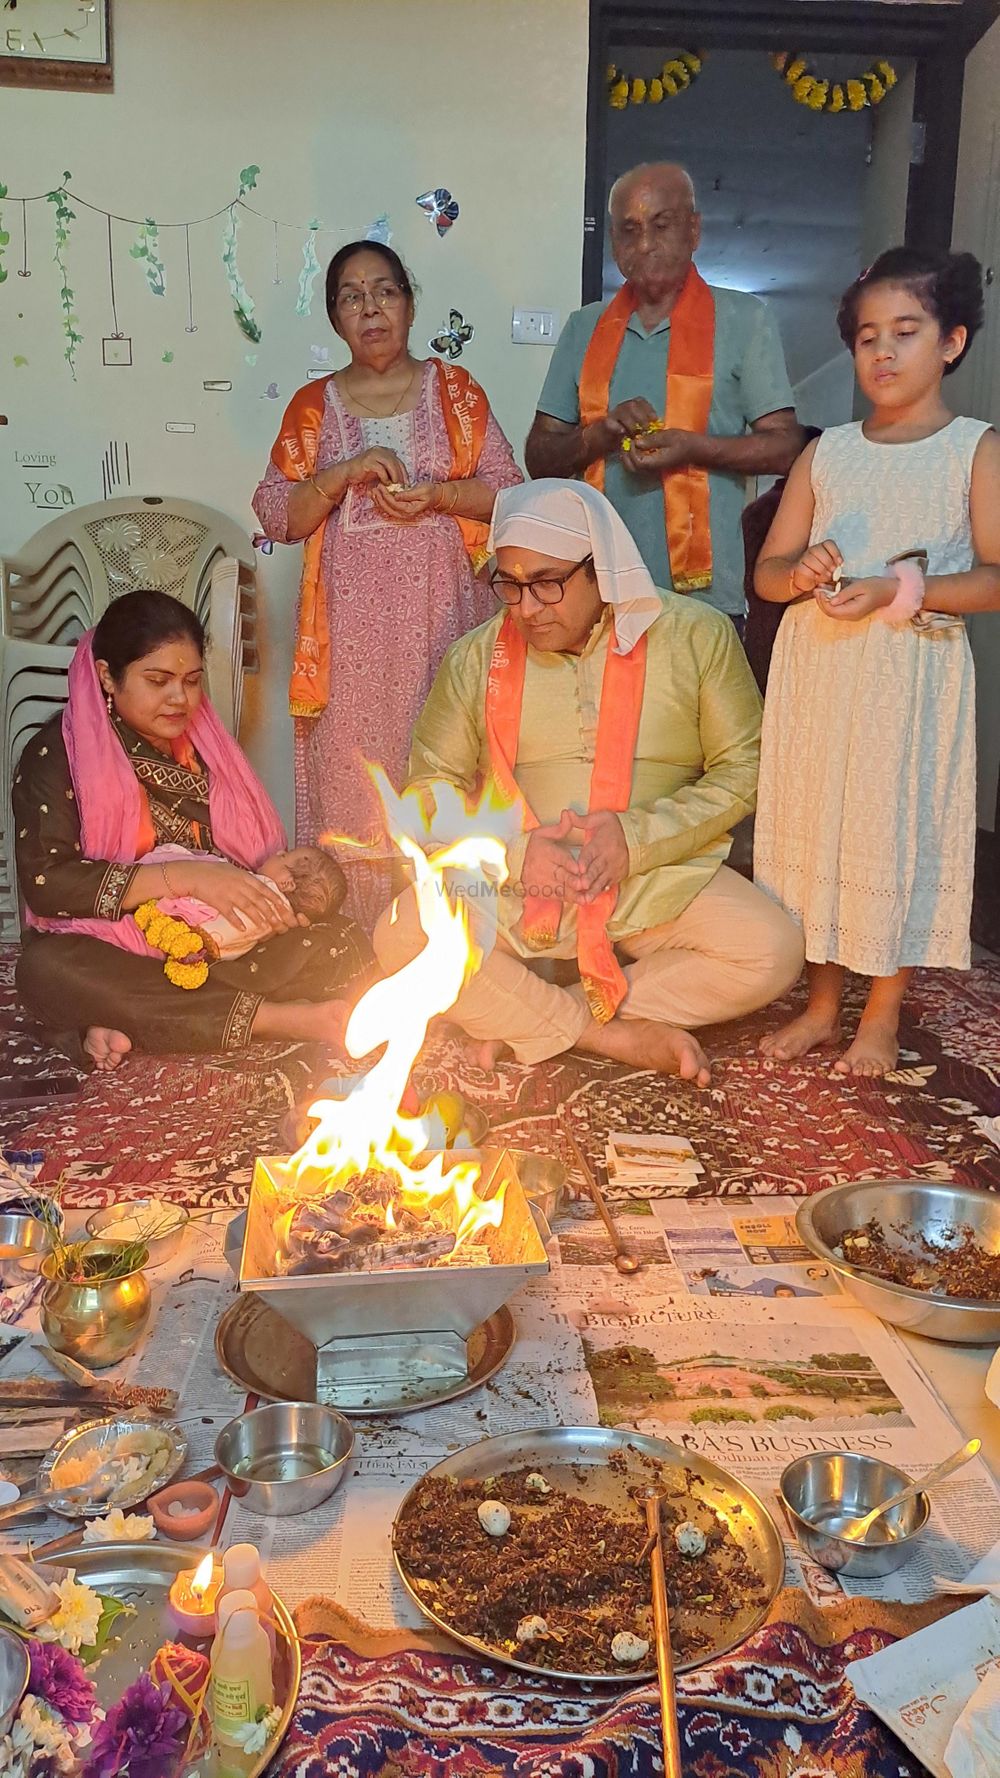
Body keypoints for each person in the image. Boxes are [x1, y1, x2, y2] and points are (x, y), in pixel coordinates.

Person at [373, 481, 804, 1086]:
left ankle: (540, 1019)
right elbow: (426, 791)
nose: (525, 607)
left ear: (602, 571)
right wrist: (518, 855)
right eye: (510, 585)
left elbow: (745, 766)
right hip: (520, 887)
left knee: (772, 950)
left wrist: (638, 839)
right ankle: (610, 1032)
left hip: (651, 880)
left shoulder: (695, 635)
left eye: (548, 583)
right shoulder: (475, 657)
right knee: (399, 931)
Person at [753, 247, 1000, 1077]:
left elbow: (995, 578)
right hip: (821, 668)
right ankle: (823, 1005)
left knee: (888, 829)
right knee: (823, 823)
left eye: (906, 332)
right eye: (866, 338)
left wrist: (894, 587)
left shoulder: (973, 448)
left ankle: (882, 1014)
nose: (883, 353)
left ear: (953, 340)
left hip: (906, 675)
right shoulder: (827, 453)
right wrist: (807, 573)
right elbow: (770, 574)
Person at [252, 241, 521, 929]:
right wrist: (343, 475)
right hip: (348, 640)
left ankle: (458, 939)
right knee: (357, 774)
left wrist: (436, 495)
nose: (370, 307)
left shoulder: (454, 392)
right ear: (335, 317)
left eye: (385, 291)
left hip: (444, 618)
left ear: (409, 301)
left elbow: (508, 494)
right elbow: (278, 513)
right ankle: (360, 941)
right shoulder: (314, 407)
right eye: (351, 295)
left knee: (447, 761)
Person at [14, 590, 375, 1070]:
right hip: (114, 943)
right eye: (158, 681)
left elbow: (247, 867)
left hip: (215, 946)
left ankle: (121, 1022)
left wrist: (269, 907)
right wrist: (188, 877)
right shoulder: (55, 756)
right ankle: (271, 1018)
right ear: (107, 676)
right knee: (44, 971)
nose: (180, 699)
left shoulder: (205, 748)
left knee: (341, 940)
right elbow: (47, 885)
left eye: (191, 681)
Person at [524, 162, 803, 626]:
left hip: (703, 602)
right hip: (594, 595)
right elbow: (539, 457)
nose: (646, 244)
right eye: (629, 231)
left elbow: (786, 447)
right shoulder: (582, 328)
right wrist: (601, 435)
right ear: (614, 243)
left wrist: (693, 448)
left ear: (693, 230)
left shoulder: (745, 320)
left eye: (662, 225)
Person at [35, 841, 347, 964]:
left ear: (287, 883)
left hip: (167, 930)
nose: (277, 852)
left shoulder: (258, 890)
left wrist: (184, 866)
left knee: (101, 938)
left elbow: (212, 909)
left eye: (284, 857)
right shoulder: (277, 925)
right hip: (189, 959)